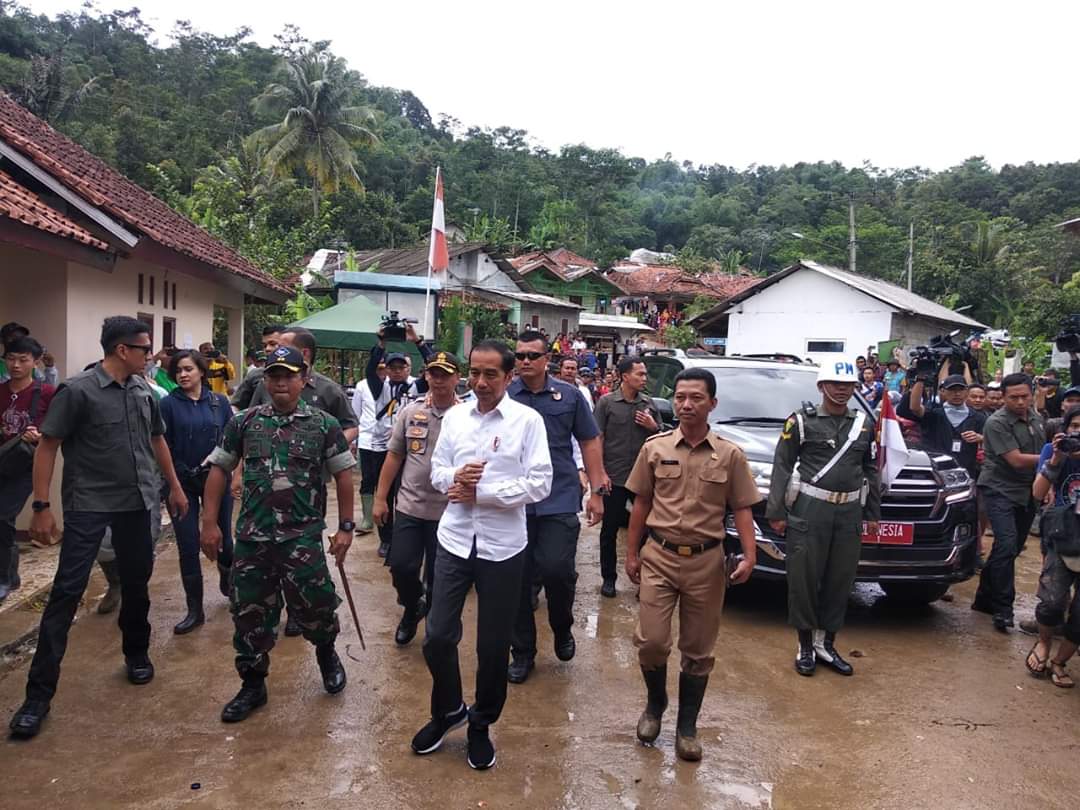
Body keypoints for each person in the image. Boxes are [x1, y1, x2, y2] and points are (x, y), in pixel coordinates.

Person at [8, 317, 189, 739]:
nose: (151, 355)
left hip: (137, 504)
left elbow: (157, 440)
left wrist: (174, 487)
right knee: (66, 592)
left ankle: (136, 654)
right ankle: (37, 697)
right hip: (89, 505)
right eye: (144, 348)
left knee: (137, 584)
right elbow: (48, 446)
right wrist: (41, 506)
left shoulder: (143, 390)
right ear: (122, 350)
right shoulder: (78, 391)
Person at [412, 340, 551, 770]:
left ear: (509, 376)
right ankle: (449, 709)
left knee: (493, 647)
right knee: (437, 636)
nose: (481, 382)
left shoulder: (527, 421)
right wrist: (456, 477)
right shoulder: (456, 418)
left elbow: (540, 482)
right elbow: (437, 472)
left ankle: (480, 723)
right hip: (455, 540)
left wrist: (484, 493)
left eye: (491, 374)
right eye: (475, 372)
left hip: (503, 548)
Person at [200, 345, 355, 722]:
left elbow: (343, 475)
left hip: (302, 539)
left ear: (304, 379)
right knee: (249, 612)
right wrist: (209, 523)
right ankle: (253, 684)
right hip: (253, 539)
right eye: (274, 375)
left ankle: (326, 652)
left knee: (317, 605)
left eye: (289, 375)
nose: (281, 382)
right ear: (265, 380)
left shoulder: (324, 425)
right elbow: (219, 469)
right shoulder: (244, 422)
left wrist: (346, 528)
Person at [624, 368, 759, 761]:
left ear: (712, 403)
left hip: (706, 562)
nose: (686, 404)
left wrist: (750, 555)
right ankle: (655, 705)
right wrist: (631, 553)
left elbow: (743, 508)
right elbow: (641, 503)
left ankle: (687, 727)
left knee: (698, 649)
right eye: (680, 397)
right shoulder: (655, 448)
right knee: (651, 642)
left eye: (696, 397)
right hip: (660, 557)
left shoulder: (730, 455)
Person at [766, 360, 880, 677]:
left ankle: (826, 644)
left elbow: (870, 469)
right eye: (835, 384)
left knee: (840, 579)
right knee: (803, 578)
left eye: (848, 385)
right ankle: (805, 644)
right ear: (821, 386)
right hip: (810, 509)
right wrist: (776, 511)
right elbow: (782, 465)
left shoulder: (864, 424)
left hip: (849, 512)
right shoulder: (801, 421)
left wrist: (873, 512)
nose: (842, 390)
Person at [506, 331, 606, 685]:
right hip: (514, 500)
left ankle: (562, 627)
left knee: (557, 570)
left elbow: (589, 441)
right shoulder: (505, 395)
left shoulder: (570, 396)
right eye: (520, 356)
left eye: (532, 355)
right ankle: (522, 652)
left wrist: (597, 491)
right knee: (517, 581)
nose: (525, 361)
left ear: (546, 359)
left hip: (559, 496)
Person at [247, 326, 358, 638]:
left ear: (304, 361)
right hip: (262, 496)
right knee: (265, 565)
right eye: (274, 375)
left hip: (307, 488)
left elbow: (350, 426)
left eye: (282, 345)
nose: (281, 381)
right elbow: (246, 428)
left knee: (304, 556)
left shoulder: (327, 392)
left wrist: (328, 447)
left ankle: (301, 612)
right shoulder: (262, 386)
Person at [373, 352, 462, 646]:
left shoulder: (466, 417)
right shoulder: (410, 412)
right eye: (434, 374)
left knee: (439, 577)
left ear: (457, 378)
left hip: (448, 512)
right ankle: (412, 607)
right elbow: (394, 456)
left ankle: (436, 632)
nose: (439, 380)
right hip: (410, 506)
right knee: (401, 566)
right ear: (426, 376)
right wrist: (380, 498)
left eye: (445, 374)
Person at [158, 350, 234, 634]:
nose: (183, 375)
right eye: (178, 370)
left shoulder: (219, 402)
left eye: (188, 369)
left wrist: (231, 472)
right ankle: (195, 610)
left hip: (216, 478)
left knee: (224, 538)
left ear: (202, 371)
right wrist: (176, 478)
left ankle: (228, 575)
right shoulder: (167, 405)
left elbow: (231, 441)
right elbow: (162, 445)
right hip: (180, 483)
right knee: (188, 544)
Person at [972, 373, 1044, 631]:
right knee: (1006, 544)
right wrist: (1053, 457)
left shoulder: (1036, 419)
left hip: (1027, 491)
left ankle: (983, 598)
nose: (1020, 402)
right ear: (1003, 397)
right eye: (1014, 397)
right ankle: (1003, 608)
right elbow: (1015, 460)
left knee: (1010, 548)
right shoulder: (996, 422)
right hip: (999, 488)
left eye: (1025, 396)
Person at [364, 324, 435, 558]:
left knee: (406, 493)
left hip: (412, 448)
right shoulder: (379, 387)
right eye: (392, 367)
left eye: (401, 367)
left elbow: (434, 365)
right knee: (383, 493)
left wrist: (418, 342)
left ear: (408, 368)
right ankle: (386, 539)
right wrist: (381, 342)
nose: (396, 371)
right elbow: (370, 368)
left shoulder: (417, 386)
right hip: (384, 448)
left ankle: (407, 536)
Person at [594, 356, 660, 597]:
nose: (644, 378)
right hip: (615, 477)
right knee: (609, 530)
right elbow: (597, 438)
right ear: (624, 377)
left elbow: (662, 439)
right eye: (640, 374)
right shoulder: (606, 403)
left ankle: (644, 579)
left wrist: (653, 427)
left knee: (647, 529)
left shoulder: (649, 404)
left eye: (645, 374)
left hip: (643, 478)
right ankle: (608, 579)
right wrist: (600, 473)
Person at [1024, 406, 1080, 687]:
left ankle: (1060, 661)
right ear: (1065, 429)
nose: (1079, 432)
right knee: (1052, 601)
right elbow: (1038, 492)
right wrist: (1057, 459)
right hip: (1062, 535)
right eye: (1075, 426)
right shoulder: (1053, 450)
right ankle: (1044, 642)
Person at [0, 336, 56, 601]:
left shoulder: (46, 392)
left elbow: (57, 427)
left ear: (35, 362)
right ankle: (10, 576)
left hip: (25, 465)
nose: (16, 365)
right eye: (11, 359)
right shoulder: (1, 391)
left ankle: (4, 577)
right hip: (2, 458)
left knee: (3, 515)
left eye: (23, 360)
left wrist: (40, 434)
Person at [899, 374, 986, 478]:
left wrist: (980, 438)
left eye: (961, 390)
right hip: (935, 471)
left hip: (965, 471)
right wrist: (920, 380)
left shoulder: (978, 418)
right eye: (952, 390)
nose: (957, 394)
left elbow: (991, 441)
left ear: (967, 392)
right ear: (943, 391)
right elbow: (915, 407)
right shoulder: (934, 414)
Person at [352, 363, 384, 535]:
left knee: (386, 481)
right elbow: (355, 413)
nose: (382, 372)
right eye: (378, 368)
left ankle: (385, 518)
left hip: (388, 442)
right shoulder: (362, 386)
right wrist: (353, 440)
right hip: (366, 440)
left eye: (384, 368)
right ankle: (367, 518)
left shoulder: (393, 386)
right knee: (367, 479)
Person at [230, 324, 287, 409]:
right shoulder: (256, 375)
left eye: (273, 344)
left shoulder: (302, 376)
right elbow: (236, 406)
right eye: (264, 345)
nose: (267, 349)